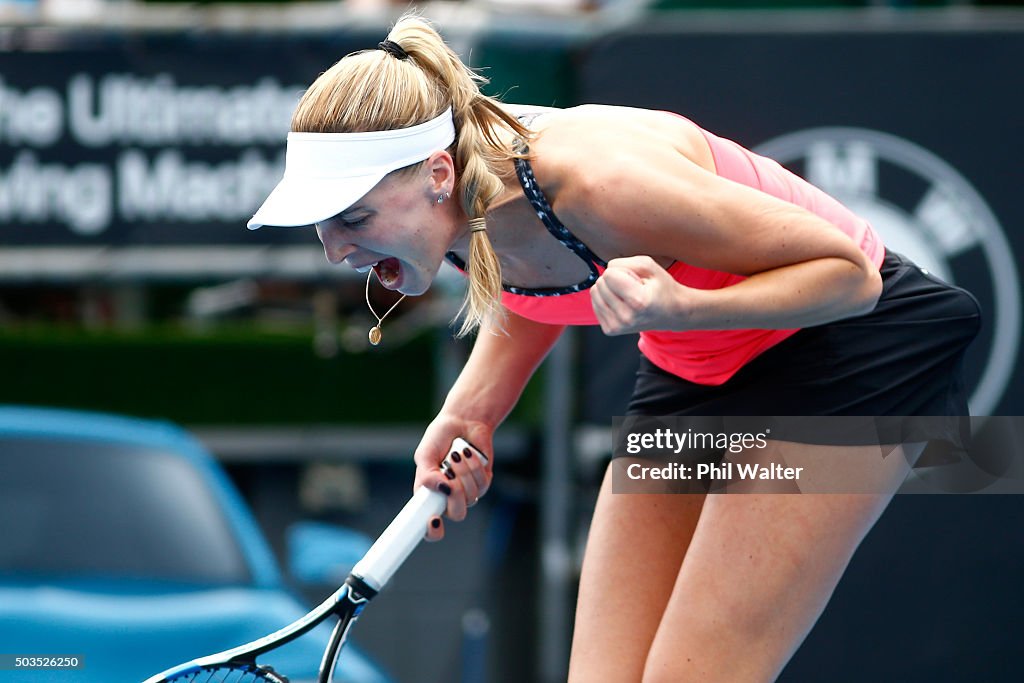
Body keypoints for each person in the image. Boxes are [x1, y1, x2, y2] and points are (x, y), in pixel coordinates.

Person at [247, 12, 982, 682]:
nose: (336, 248)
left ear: (438, 176)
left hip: (849, 353)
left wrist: (686, 307)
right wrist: (473, 409)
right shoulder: (459, 202)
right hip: (694, 368)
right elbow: (539, 275)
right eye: (324, 223)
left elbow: (852, 276)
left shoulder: (602, 182)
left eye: (354, 216)